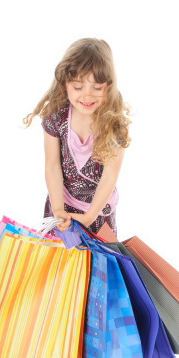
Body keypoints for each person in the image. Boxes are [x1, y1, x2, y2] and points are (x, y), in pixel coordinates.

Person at [22, 38, 132, 237]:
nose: (87, 96)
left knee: (97, 267)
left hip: (98, 214)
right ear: (65, 84)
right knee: (59, 265)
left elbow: (109, 177)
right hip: (61, 207)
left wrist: (89, 217)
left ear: (109, 86)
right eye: (78, 87)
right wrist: (58, 212)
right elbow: (52, 166)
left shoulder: (115, 126)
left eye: (97, 88)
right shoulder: (56, 118)